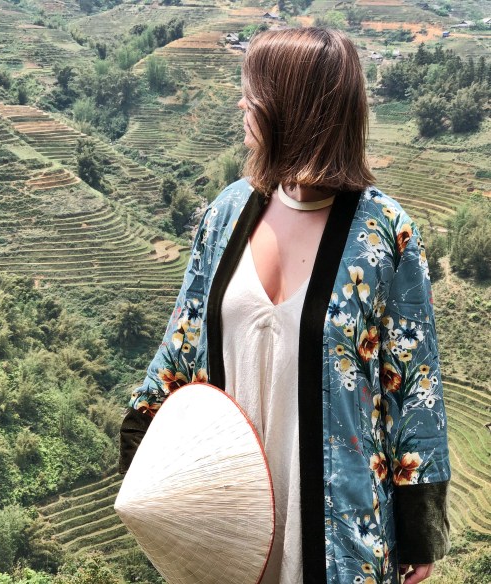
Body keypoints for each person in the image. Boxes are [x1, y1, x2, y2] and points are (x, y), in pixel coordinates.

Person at [119, 27, 450, 584]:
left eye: (252, 95)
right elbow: (181, 346)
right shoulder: (227, 212)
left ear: (290, 110)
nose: (241, 105)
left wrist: (418, 525)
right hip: (226, 520)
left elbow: (415, 386)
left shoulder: (383, 234)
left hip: (342, 532)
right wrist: (143, 458)